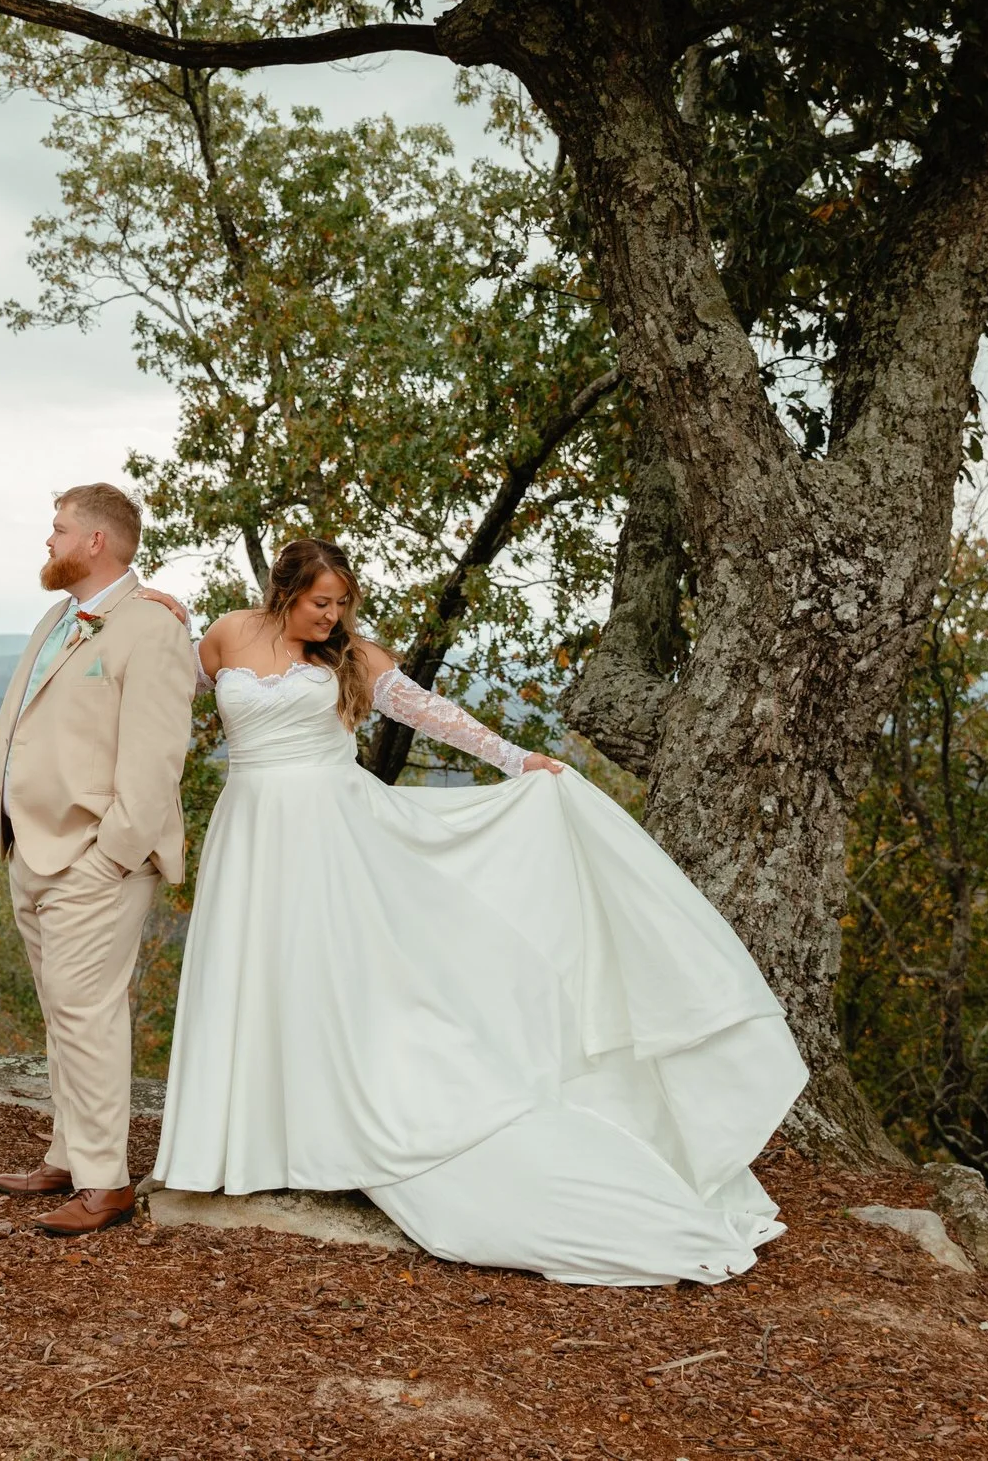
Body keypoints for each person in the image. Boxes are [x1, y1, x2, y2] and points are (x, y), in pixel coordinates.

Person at [138, 537, 807, 1285]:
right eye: (321, 602)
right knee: (253, 972)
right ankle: (244, 1141)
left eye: (342, 603)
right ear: (284, 591)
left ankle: (329, 1136)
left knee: (328, 980)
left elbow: (436, 716)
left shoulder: (354, 656)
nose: (332, 616)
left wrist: (520, 761)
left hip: (333, 835)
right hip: (249, 831)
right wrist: (155, 615)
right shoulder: (227, 633)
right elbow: (163, 684)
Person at [0, 483, 196, 1236]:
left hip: (93, 861)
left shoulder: (153, 629)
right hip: (32, 848)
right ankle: (68, 1153)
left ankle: (106, 1183)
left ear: (96, 540)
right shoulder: (57, 616)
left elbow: (156, 760)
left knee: (89, 1015)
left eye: (60, 528)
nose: (49, 540)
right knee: (62, 1014)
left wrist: (109, 858)